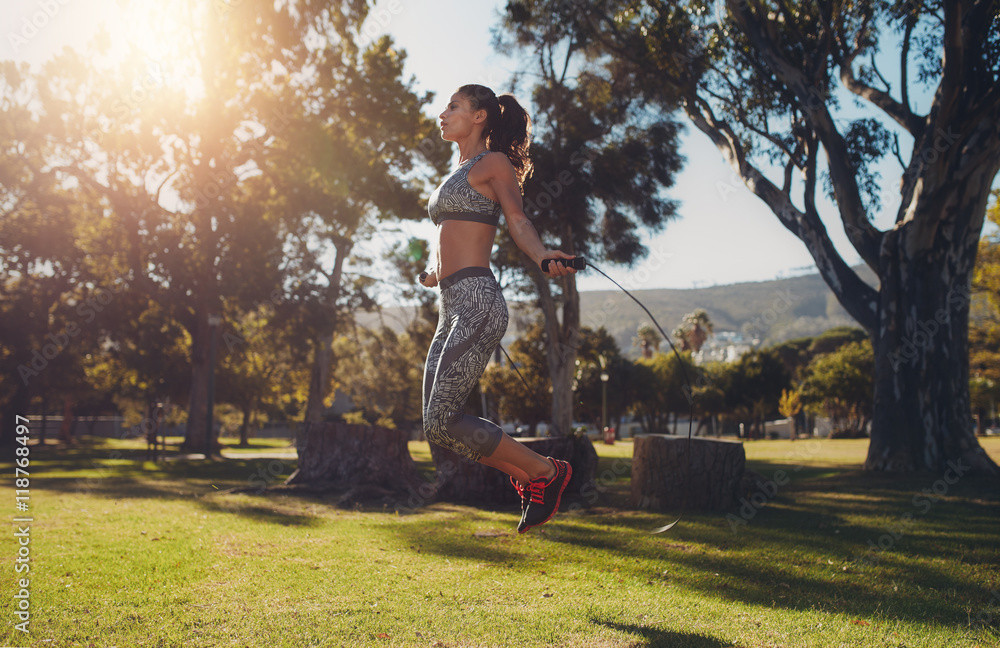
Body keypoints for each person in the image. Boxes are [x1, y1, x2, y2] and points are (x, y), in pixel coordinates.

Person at [419, 84, 576, 534]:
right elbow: (456, 232)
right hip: (450, 306)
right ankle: (531, 477)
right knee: (437, 424)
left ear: (480, 116)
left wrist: (544, 256)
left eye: (454, 107)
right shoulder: (460, 171)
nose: (443, 114)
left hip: (477, 303)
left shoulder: (494, 163)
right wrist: (435, 272)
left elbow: (517, 219)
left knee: (444, 416)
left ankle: (548, 472)